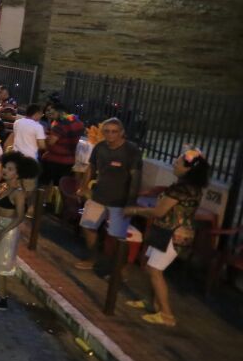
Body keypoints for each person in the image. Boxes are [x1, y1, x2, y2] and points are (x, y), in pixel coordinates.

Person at [123, 149, 210, 327]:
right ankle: (151, 303)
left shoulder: (181, 189)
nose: (174, 164)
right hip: (167, 231)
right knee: (150, 267)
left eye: (178, 162)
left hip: (173, 234)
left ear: (188, 169)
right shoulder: (192, 188)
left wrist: (133, 210)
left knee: (155, 271)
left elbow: (158, 211)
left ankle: (167, 315)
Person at [75, 118, 143, 271]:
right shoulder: (99, 147)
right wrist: (83, 187)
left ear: (122, 133)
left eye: (114, 131)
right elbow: (91, 168)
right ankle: (92, 258)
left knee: (118, 237)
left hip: (120, 200)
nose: (110, 134)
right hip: (98, 195)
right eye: (107, 131)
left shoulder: (131, 151)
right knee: (87, 225)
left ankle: (121, 270)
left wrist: (130, 203)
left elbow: (136, 178)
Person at [0, 152, 37, 311]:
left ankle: (2, 299)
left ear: (18, 173)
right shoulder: (3, 186)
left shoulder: (18, 193)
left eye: (10, 169)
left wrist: (4, 231)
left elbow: (20, 216)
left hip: (8, 230)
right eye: (5, 167)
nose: (5, 171)